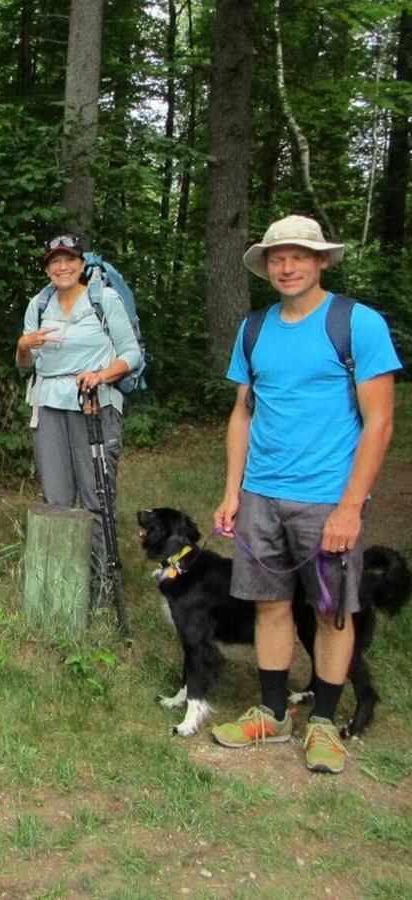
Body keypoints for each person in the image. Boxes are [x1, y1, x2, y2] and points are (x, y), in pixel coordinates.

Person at [211, 215, 400, 775]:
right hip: (261, 494)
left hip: (327, 498)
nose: (287, 266)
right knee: (269, 605)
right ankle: (273, 713)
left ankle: (323, 720)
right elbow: (242, 414)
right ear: (266, 265)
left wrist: (350, 506)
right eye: (277, 257)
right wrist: (232, 491)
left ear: (321, 261)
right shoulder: (255, 328)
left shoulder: (356, 325)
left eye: (298, 256)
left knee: (331, 611)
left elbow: (380, 422)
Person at [15, 233, 142, 596]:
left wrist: (101, 375)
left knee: (97, 496)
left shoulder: (105, 300)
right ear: (47, 267)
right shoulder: (39, 304)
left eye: (69, 259)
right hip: (49, 404)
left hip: (95, 403)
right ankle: (62, 584)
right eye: (55, 261)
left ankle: (102, 581)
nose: (62, 266)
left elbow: (131, 354)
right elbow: (26, 365)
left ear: (81, 263)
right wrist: (22, 346)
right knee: (56, 498)